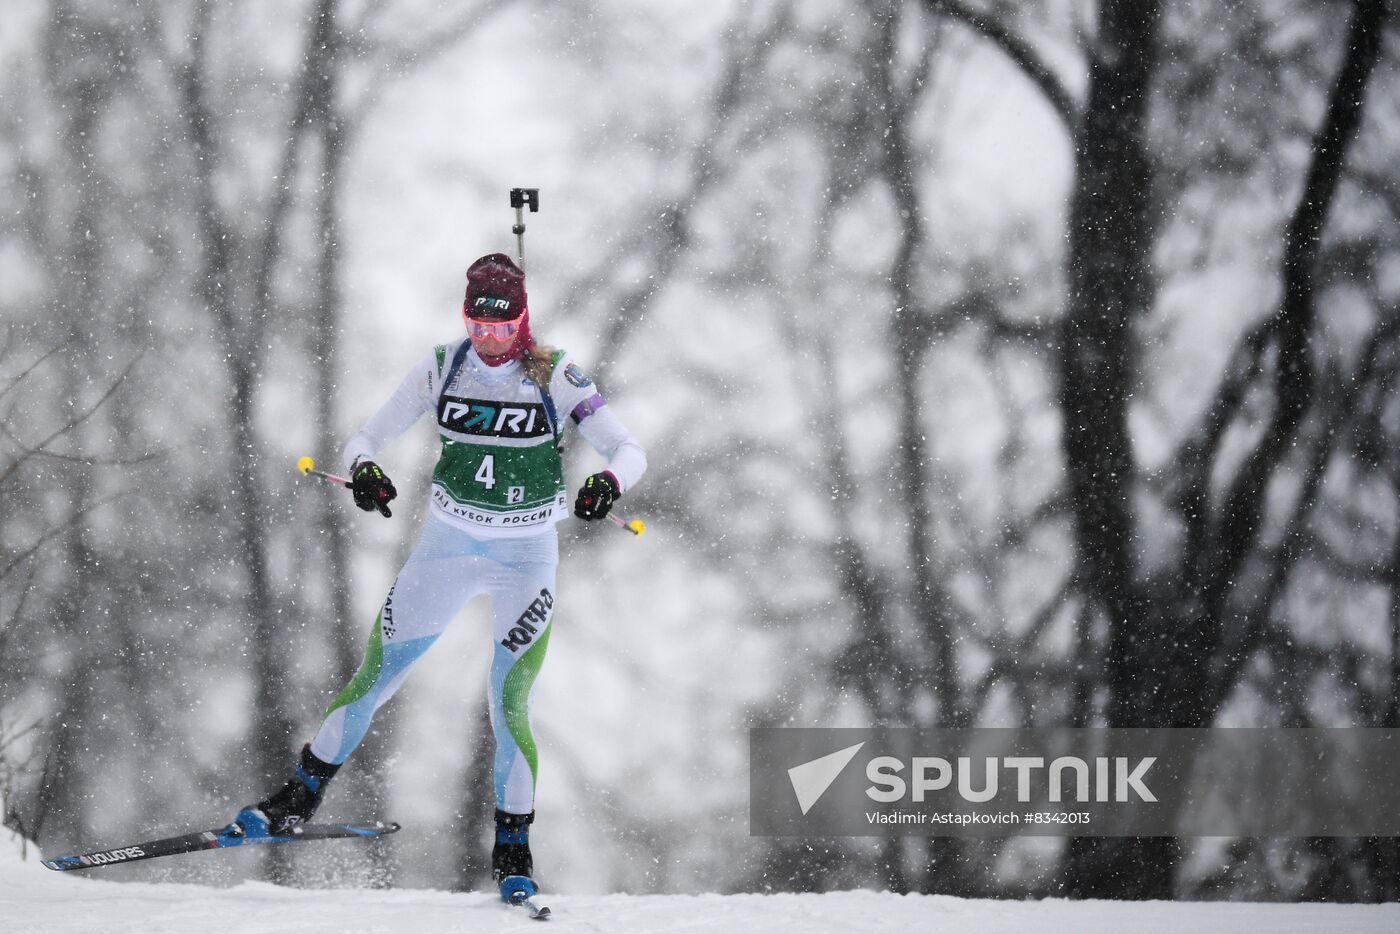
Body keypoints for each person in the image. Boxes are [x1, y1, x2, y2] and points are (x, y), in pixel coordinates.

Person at [227, 253, 646, 903]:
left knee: (509, 703)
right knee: (373, 677)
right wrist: (365, 472)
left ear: (523, 321)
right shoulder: (442, 368)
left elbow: (630, 449)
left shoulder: (552, 371)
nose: (488, 339)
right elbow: (364, 438)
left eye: (502, 327)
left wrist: (606, 482)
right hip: (448, 548)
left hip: (526, 558)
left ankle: (513, 850)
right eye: (477, 324)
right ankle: (297, 797)